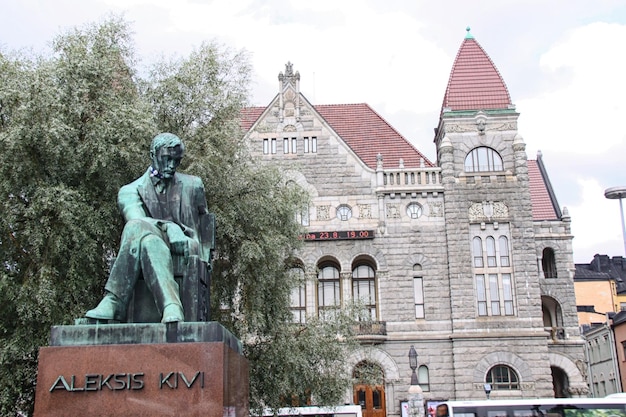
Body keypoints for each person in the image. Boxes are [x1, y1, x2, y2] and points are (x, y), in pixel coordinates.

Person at [86, 133, 211, 323]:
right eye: (166, 159)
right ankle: (171, 305)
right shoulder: (129, 191)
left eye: (176, 160)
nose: (171, 166)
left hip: (185, 245)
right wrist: (169, 227)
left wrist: (202, 253)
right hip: (150, 243)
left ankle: (114, 300)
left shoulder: (193, 185)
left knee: (139, 232)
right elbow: (136, 221)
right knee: (149, 242)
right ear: (153, 155)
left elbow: (205, 224)